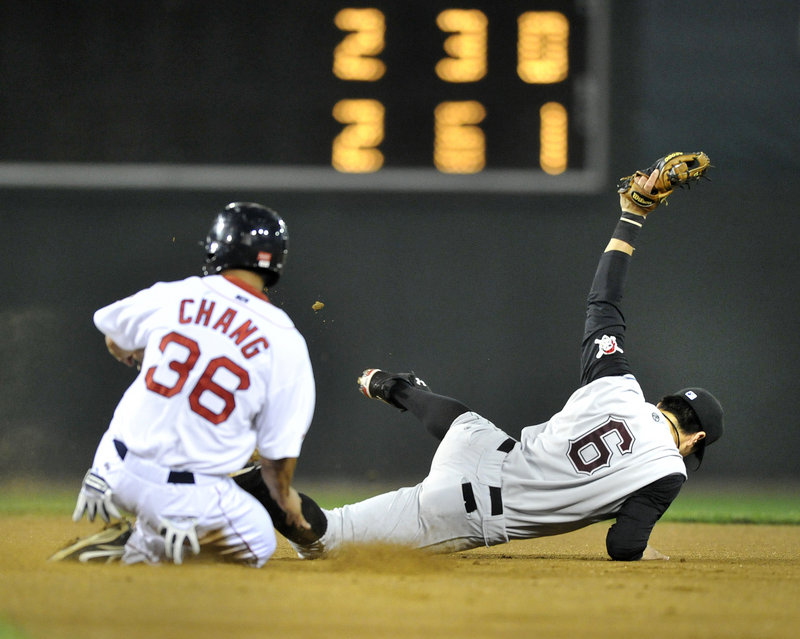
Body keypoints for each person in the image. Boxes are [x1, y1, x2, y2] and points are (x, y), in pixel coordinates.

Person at [235, 160, 724, 561]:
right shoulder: (668, 471)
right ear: (696, 439)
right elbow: (623, 546)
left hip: (487, 448)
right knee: (327, 540)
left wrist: (631, 216)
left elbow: (604, 304)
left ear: (665, 400)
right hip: (470, 507)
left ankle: (396, 388)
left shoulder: (619, 387)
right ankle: (251, 477)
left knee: (466, 423)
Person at [62, 202, 316, 567]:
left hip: (109, 469)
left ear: (217, 247)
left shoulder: (177, 293)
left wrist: (140, 358)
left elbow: (113, 333)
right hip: (181, 495)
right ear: (276, 261)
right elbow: (278, 457)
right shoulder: (284, 338)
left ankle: (137, 534)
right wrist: (286, 500)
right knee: (258, 542)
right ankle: (140, 548)